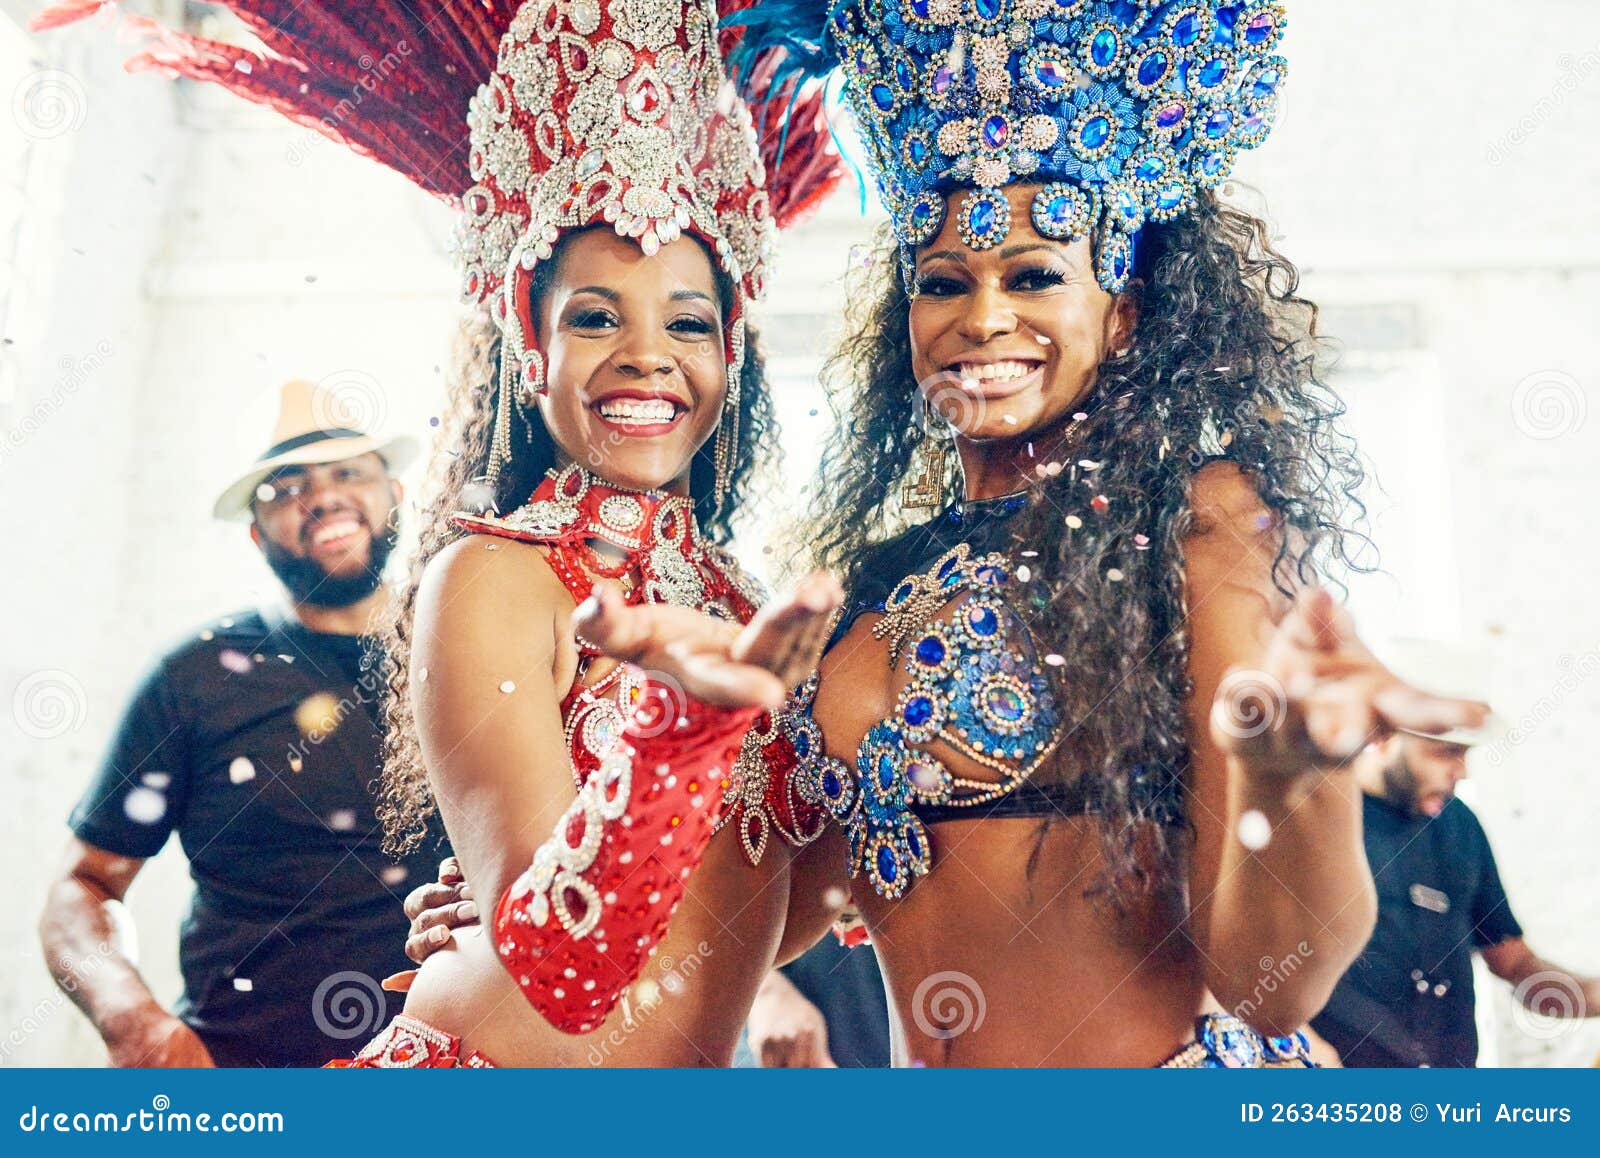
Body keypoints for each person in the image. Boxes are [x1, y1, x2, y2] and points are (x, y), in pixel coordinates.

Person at [38, 0, 856, 1066]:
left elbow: (756, 912)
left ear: (732, 352)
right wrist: (682, 739)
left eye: (687, 320)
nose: (647, 355)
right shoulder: (496, 575)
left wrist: (865, 807)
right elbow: (568, 970)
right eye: (595, 316)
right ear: (531, 348)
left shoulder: (750, 608)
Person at [702, 0, 1494, 1066]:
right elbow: (779, 913)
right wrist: (543, 908)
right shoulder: (863, 584)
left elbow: (1270, 981)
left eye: (1033, 276)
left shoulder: (1198, 524)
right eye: (944, 283)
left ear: (1121, 315)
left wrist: (1289, 782)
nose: (981, 320)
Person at [38, 380, 442, 1067]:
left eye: (348, 471)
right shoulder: (194, 678)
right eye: (287, 486)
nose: (323, 497)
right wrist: (135, 1024)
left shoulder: (471, 652)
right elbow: (83, 886)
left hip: (447, 1083)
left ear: (396, 495)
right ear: (256, 533)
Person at [1310, 662, 1600, 1067]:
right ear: (1380, 737)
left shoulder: (1459, 825)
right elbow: (1247, 973)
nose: (1461, 772)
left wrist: (1594, 994)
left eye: (1465, 753)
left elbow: (1514, 963)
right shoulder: (1314, 819)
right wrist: (1302, 1048)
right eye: (1445, 752)